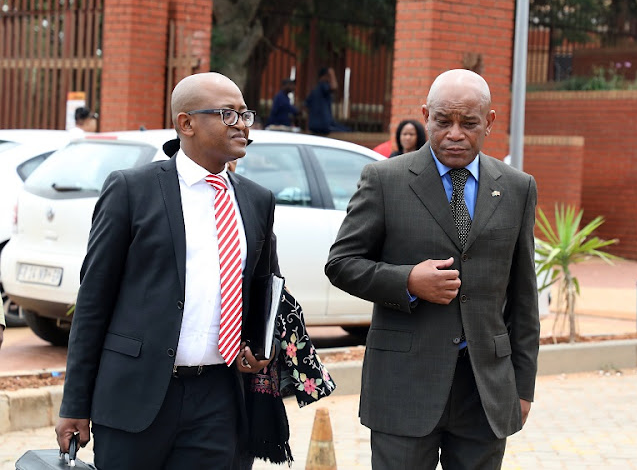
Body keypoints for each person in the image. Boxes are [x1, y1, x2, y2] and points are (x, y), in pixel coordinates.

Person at [55, 72, 279, 469]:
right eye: (228, 114)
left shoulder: (256, 201)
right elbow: (92, 302)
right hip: (135, 397)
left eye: (246, 114)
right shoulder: (131, 190)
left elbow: (265, 290)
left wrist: (261, 347)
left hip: (220, 399)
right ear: (186, 123)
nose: (243, 124)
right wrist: (75, 403)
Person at [326, 69, 540, 470]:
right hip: (404, 385)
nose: (454, 133)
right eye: (443, 121)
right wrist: (407, 281)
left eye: (469, 123)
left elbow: (523, 297)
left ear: (490, 121)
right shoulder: (385, 179)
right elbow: (341, 264)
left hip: (484, 391)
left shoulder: (517, 188)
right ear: (426, 115)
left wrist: (522, 387)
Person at [305, 67, 349, 136]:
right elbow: (334, 87)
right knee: (347, 131)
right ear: (325, 76)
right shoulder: (323, 85)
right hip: (323, 124)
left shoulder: (315, 90)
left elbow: (307, 106)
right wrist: (332, 74)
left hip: (314, 125)